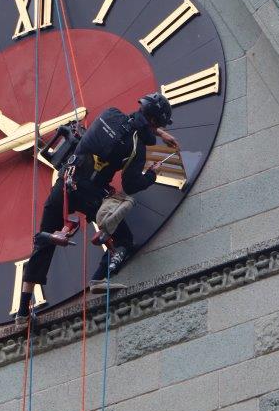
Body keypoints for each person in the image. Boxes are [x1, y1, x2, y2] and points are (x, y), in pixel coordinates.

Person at [14, 92, 178, 324]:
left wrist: (158, 132)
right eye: (158, 125)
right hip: (91, 195)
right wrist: (151, 174)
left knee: (44, 242)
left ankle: (22, 312)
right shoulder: (137, 148)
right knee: (124, 241)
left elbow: (134, 122)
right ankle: (99, 278)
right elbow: (131, 184)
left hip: (64, 183)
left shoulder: (110, 114)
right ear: (154, 122)